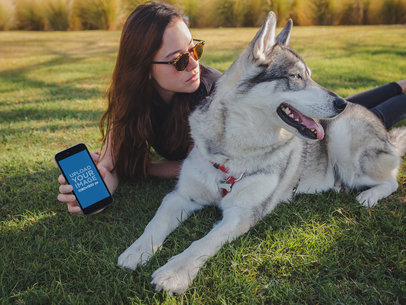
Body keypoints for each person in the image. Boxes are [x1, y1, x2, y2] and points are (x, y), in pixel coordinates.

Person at [57, 1, 406, 215]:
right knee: (346, 107)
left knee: (354, 117)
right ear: (142, 69)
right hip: (285, 112)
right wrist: (106, 174)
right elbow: (113, 152)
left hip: (270, 119)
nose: (192, 63)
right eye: (179, 60)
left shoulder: (208, 94)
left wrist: (144, 169)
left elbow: (201, 163)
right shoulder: (132, 97)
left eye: (196, 49)